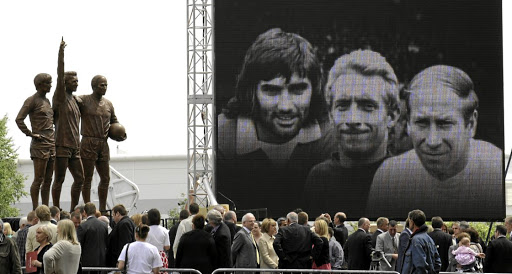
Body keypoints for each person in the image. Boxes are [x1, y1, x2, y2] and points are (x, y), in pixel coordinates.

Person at [217, 28, 330, 217]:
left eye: (298, 89)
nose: (285, 106)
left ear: (315, 88)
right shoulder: (219, 139)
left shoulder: (334, 135)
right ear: (251, 91)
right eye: (271, 90)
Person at [367, 65, 503, 219]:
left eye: (444, 124)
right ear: (409, 125)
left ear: (471, 124)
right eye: (422, 123)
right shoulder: (389, 178)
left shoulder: (499, 173)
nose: (432, 141)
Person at [304, 50, 399, 217]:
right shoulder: (317, 179)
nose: (353, 119)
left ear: (392, 116)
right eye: (343, 105)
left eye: (367, 106)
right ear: (331, 114)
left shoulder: (405, 179)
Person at [76, 75, 126, 212]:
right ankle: (88, 208)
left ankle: (103, 209)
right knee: (87, 178)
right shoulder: (84, 100)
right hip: (88, 142)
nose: (104, 87)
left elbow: (114, 121)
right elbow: (69, 99)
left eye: (106, 85)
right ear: (93, 86)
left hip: (103, 144)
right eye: (101, 85)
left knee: (105, 178)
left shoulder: (108, 104)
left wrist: (120, 133)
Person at [51, 39, 85, 212]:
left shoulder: (76, 101)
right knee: (60, 178)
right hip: (62, 144)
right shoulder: (61, 97)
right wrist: (61, 53)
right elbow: (59, 73)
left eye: (77, 81)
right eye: (74, 81)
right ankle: (56, 210)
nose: (77, 83)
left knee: (80, 178)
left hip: (75, 146)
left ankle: (73, 210)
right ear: (65, 83)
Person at [16, 72, 55, 210]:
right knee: (38, 179)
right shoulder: (31, 100)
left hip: (51, 143)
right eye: (48, 83)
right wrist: (31, 134)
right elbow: (19, 119)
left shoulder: (48, 101)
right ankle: (36, 209)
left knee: (48, 180)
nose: (51, 85)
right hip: (40, 145)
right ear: (39, 85)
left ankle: (45, 208)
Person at [400, 209, 441, 274]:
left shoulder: (416, 240)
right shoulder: (429, 239)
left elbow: (420, 265)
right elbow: (437, 262)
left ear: (412, 221)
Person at [76, 202, 108, 271]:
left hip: (88, 262)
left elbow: (78, 244)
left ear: (84, 212)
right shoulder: (104, 225)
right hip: (102, 259)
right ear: (95, 211)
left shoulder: (83, 226)